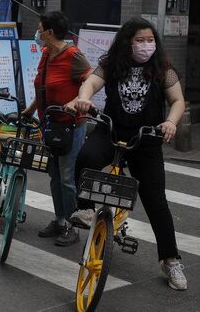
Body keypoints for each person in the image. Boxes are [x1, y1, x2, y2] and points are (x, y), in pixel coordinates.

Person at [69, 17, 188, 290]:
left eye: (150, 40)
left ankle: (171, 260)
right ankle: (85, 210)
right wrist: (84, 97)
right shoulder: (110, 64)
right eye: (139, 40)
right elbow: (90, 83)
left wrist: (171, 121)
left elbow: (178, 100)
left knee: (156, 202)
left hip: (146, 139)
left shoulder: (163, 68)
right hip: (110, 130)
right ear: (127, 42)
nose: (146, 45)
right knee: (87, 157)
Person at [21, 11, 91, 246]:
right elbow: (43, 86)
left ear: (49, 32)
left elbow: (91, 82)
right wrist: (31, 108)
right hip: (49, 124)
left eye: (40, 28)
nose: (38, 32)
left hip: (71, 125)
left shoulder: (73, 55)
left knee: (68, 177)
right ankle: (60, 220)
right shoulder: (46, 53)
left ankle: (74, 225)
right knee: (54, 174)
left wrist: (77, 102)